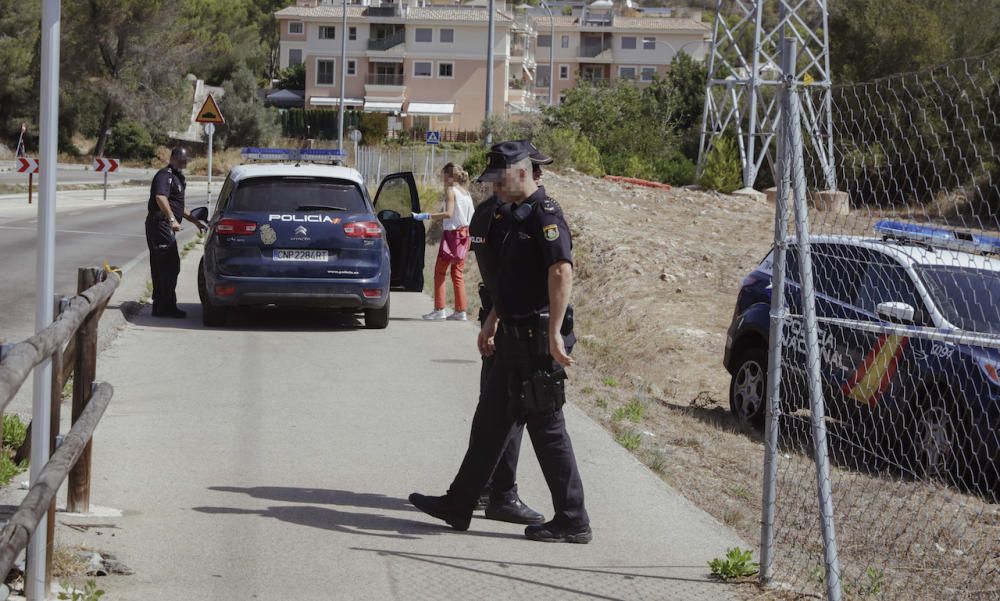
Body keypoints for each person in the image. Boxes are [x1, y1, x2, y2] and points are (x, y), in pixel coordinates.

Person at [409, 141, 591, 543]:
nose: (493, 186)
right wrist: (491, 321)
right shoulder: (507, 217)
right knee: (489, 424)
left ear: (521, 174)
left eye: (499, 178)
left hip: (539, 341)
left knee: (548, 430)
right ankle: (459, 504)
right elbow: (507, 283)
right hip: (510, 337)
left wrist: (556, 333)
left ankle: (573, 519)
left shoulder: (545, 215)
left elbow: (560, 273)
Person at [463, 143, 554, 525]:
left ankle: (484, 488)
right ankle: (501, 492)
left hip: (496, 313)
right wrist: (499, 317)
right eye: (536, 167)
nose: (541, 174)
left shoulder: (484, 215)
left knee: (493, 408)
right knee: (513, 410)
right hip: (509, 318)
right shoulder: (512, 216)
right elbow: (509, 277)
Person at [145, 147, 205, 318]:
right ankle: (165, 306)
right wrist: (172, 219)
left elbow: (178, 206)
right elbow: (160, 197)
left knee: (164, 266)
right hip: (160, 224)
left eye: (186, 160)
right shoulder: (165, 175)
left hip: (164, 224)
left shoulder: (178, 178)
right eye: (181, 160)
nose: (184, 163)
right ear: (173, 158)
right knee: (169, 266)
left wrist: (195, 221)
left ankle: (161, 305)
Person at [414, 163, 475, 321]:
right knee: (457, 273)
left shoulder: (450, 190)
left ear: (448, 176)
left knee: (440, 272)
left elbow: (448, 213)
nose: (441, 178)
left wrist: (426, 215)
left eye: (442, 175)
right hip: (464, 235)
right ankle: (461, 311)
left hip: (452, 236)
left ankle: (439, 309)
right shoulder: (466, 192)